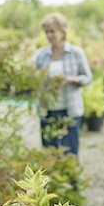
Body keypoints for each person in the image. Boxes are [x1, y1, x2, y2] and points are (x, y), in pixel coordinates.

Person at [33, 12, 92, 156]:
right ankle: (51, 179)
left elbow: (87, 77)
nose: (49, 35)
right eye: (47, 32)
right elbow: (32, 75)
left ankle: (72, 179)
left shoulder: (76, 53)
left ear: (62, 31)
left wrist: (70, 80)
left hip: (70, 110)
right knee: (49, 153)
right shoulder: (41, 55)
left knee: (70, 152)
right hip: (48, 110)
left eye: (52, 31)